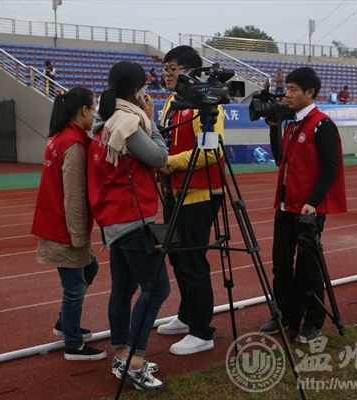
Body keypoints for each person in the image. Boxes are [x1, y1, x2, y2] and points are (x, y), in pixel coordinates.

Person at [87, 61, 170, 390]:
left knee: (122, 291)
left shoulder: (104, 120)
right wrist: (154, 121)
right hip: (131, 217)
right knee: (157, 289)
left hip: (114, 217)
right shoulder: (128, 123)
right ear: (138, 90)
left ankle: (123, 356)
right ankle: (135, 364)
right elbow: (160, 158)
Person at [258, 67, 347, 343]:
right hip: (285, 205)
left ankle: (313, 321)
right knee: (281, 264)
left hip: (308, 209)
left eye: (293, 89)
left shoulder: (322, 124)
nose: (287, 94)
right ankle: (284, 314)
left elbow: (331, 168)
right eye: (287, 89)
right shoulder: (292, 123)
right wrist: (274, 128)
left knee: (309, 267)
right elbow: (279, 159)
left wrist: (313, 202)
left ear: (310, 92)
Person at [156, 45, 225, 355]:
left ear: (189, 72)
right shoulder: (171, 102)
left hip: (199, 193)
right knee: (176, 257)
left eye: (172, 69)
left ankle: (201, 331)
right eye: (165, 69)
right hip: (173, 192)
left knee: (193, 261)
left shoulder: (206, 103)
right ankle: (186, 316)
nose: (167, 74)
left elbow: (211, 151)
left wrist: (169, 163)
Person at [31, 87, 106, 361]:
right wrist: (78, 237)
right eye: (93, 108)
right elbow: (73, 196)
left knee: (89, 270)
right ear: (83, 110)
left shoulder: (60, 137)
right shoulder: (73, 144)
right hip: (64, 228)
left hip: (56, 223)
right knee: (74, 287)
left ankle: (65, 323)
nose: (95, 113)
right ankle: (73, 344)